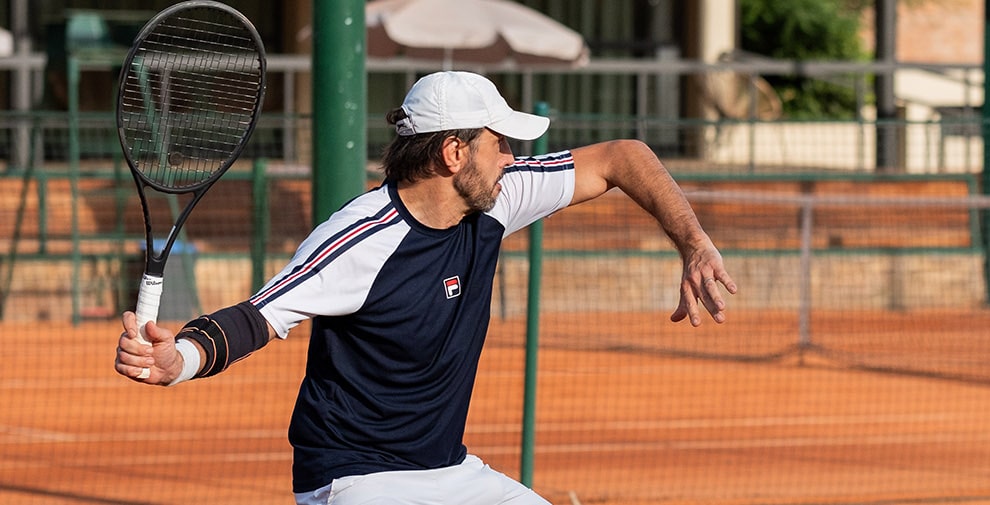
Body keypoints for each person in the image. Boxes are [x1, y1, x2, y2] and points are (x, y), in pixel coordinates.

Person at [112, 71, 737, 504]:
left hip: (450, 470)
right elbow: (260, 315)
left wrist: (693, 242)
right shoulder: (361, 239)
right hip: (357, 480)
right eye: (501, 144)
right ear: (453, 153)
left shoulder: (495, 198)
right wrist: (180, 358)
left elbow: (623, 157)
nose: (513, 159)